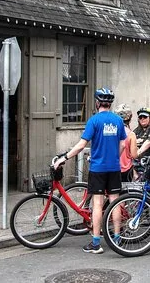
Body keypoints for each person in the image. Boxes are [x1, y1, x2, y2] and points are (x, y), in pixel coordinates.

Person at [54, 88, 126, 254]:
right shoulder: (118, 120)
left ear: (97, 103)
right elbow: (123, 144)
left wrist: (64, 157)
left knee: (98, 204)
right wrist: (115, 157)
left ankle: (96, 243)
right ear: (110, 104)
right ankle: (117, 239)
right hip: (114, 167)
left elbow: (81, 145)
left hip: (98, 168)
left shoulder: (94, 121)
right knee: (115, 202)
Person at [114, 104, 139, 182]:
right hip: (126, 169)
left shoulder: (111, 131)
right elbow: (134, 155)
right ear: (130, 118)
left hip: (112, 167)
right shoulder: (131, 134)